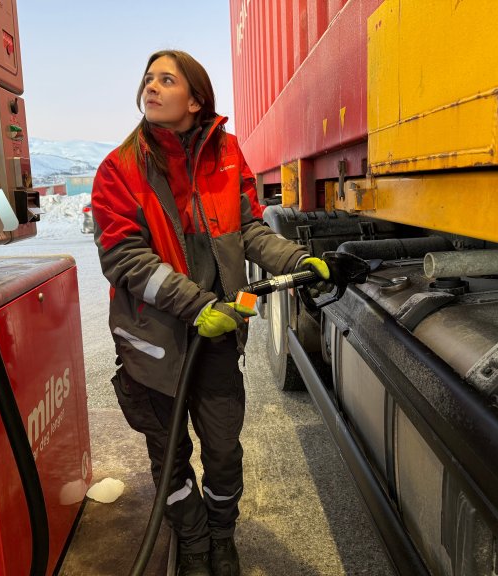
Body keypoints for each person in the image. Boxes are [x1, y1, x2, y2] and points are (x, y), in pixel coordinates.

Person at [91, 49, 330, 576]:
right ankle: (193, 543)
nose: (150, 87)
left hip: (219, 338)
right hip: (154, 344)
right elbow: (123, 257)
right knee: (170, 457)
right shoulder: (120, 168)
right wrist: (197, 305)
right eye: (148, 78)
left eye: (166, 80)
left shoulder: (226, 155)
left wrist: (298, 259)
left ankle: (222, 537)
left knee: (223, 452)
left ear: (196, 100)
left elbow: (247, 229)